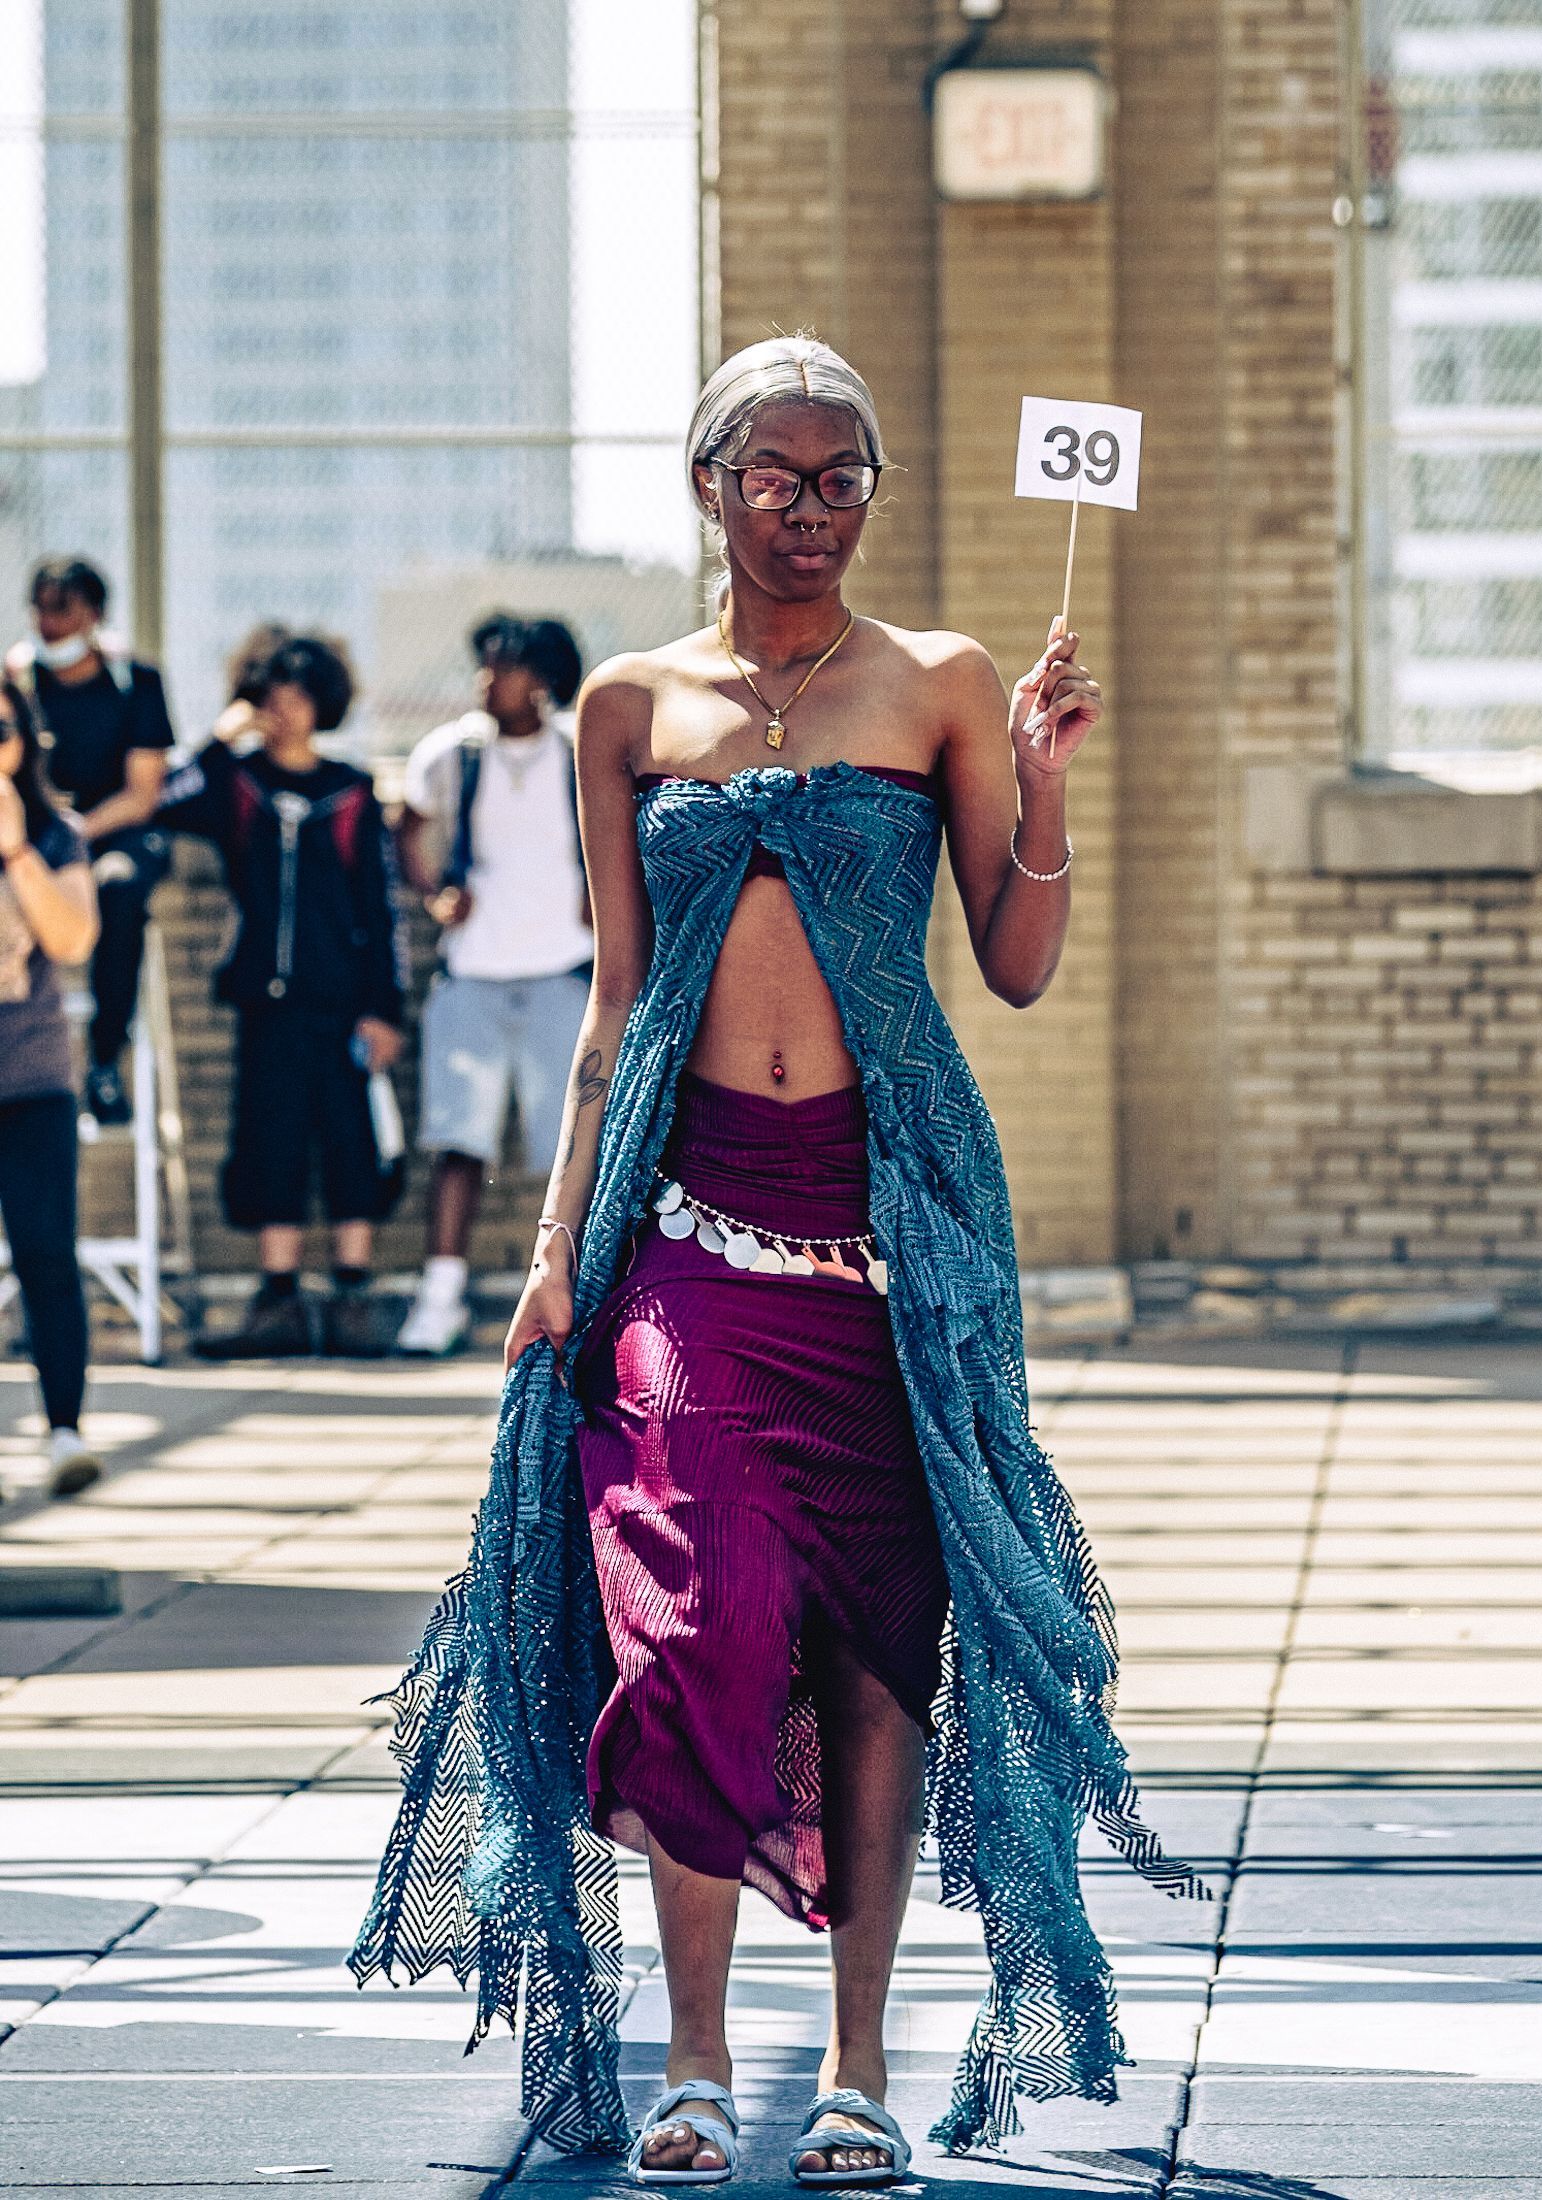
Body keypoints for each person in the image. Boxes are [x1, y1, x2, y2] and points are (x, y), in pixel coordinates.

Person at [351, 338, 1203, 2180]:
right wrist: (558, 1242)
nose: (810, 510)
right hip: (686, 1245)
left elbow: (1019, 959)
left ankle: (860, 2067)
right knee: (690, 1620)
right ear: (709, 487)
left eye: (845, 480)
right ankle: (698, 2060)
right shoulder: (627, 705)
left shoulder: (945, 683)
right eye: (777, 477)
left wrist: (1042, 785)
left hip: (889, 1242)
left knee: (879, 1651)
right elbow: (614, 1005)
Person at [154, 633, 406, 1359]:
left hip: (345, 1005)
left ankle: (353, 1299)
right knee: (272, 1144)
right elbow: (164, 802)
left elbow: (379, 908)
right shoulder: (236, 786)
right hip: (265, 1004)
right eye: (267, 696)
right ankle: (279, 1304)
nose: (281, 710)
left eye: (295, 696)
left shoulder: (351, 791)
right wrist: (218, 738)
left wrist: (383, 1008)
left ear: (321, 701)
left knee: (351, 1144)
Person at [394, 612, 590, 1357]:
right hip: (472, 971)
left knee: (573, 1151)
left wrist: (598, 901)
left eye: (503, 665)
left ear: (540, 677)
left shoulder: (576, 752)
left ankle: (581, 1291)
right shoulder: (453, 754)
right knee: (456, 1143)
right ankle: (438, 1298)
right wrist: (437, 895)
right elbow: (406, 828)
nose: (486, 679)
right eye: (482, 663)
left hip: (563, 972)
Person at [4, 557, 176, 1125]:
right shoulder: (20, 682)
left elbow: (143, 792)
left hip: (109, 837)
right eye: (40, 606)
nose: (48, 622)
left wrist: (76, 833)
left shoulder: (137, 683)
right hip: (31, 837)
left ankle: (104, 1060)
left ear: (95, 614)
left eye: (63, 607)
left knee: (119, 893)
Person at [0, 673, 104, 1497]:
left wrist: (12, 849)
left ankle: (63, 1429)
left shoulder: (55, 833)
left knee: (45, 1254)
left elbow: (71, 939)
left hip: (31, 1078)